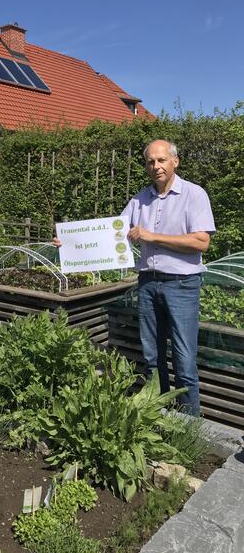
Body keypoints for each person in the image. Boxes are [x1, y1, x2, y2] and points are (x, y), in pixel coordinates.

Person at [122, 139, 215, 415]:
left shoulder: (194, 195)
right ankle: (158, 414)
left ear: (175, 161)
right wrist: (70, 243)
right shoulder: (140, 199)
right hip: (148, 283)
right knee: (152, 356)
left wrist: (152, 237)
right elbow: (111, 232)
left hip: (182, 285)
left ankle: (189, 427)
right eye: (151, 161)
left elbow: (201, 242)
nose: (156, 166)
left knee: (184, 359)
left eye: (161, 160)